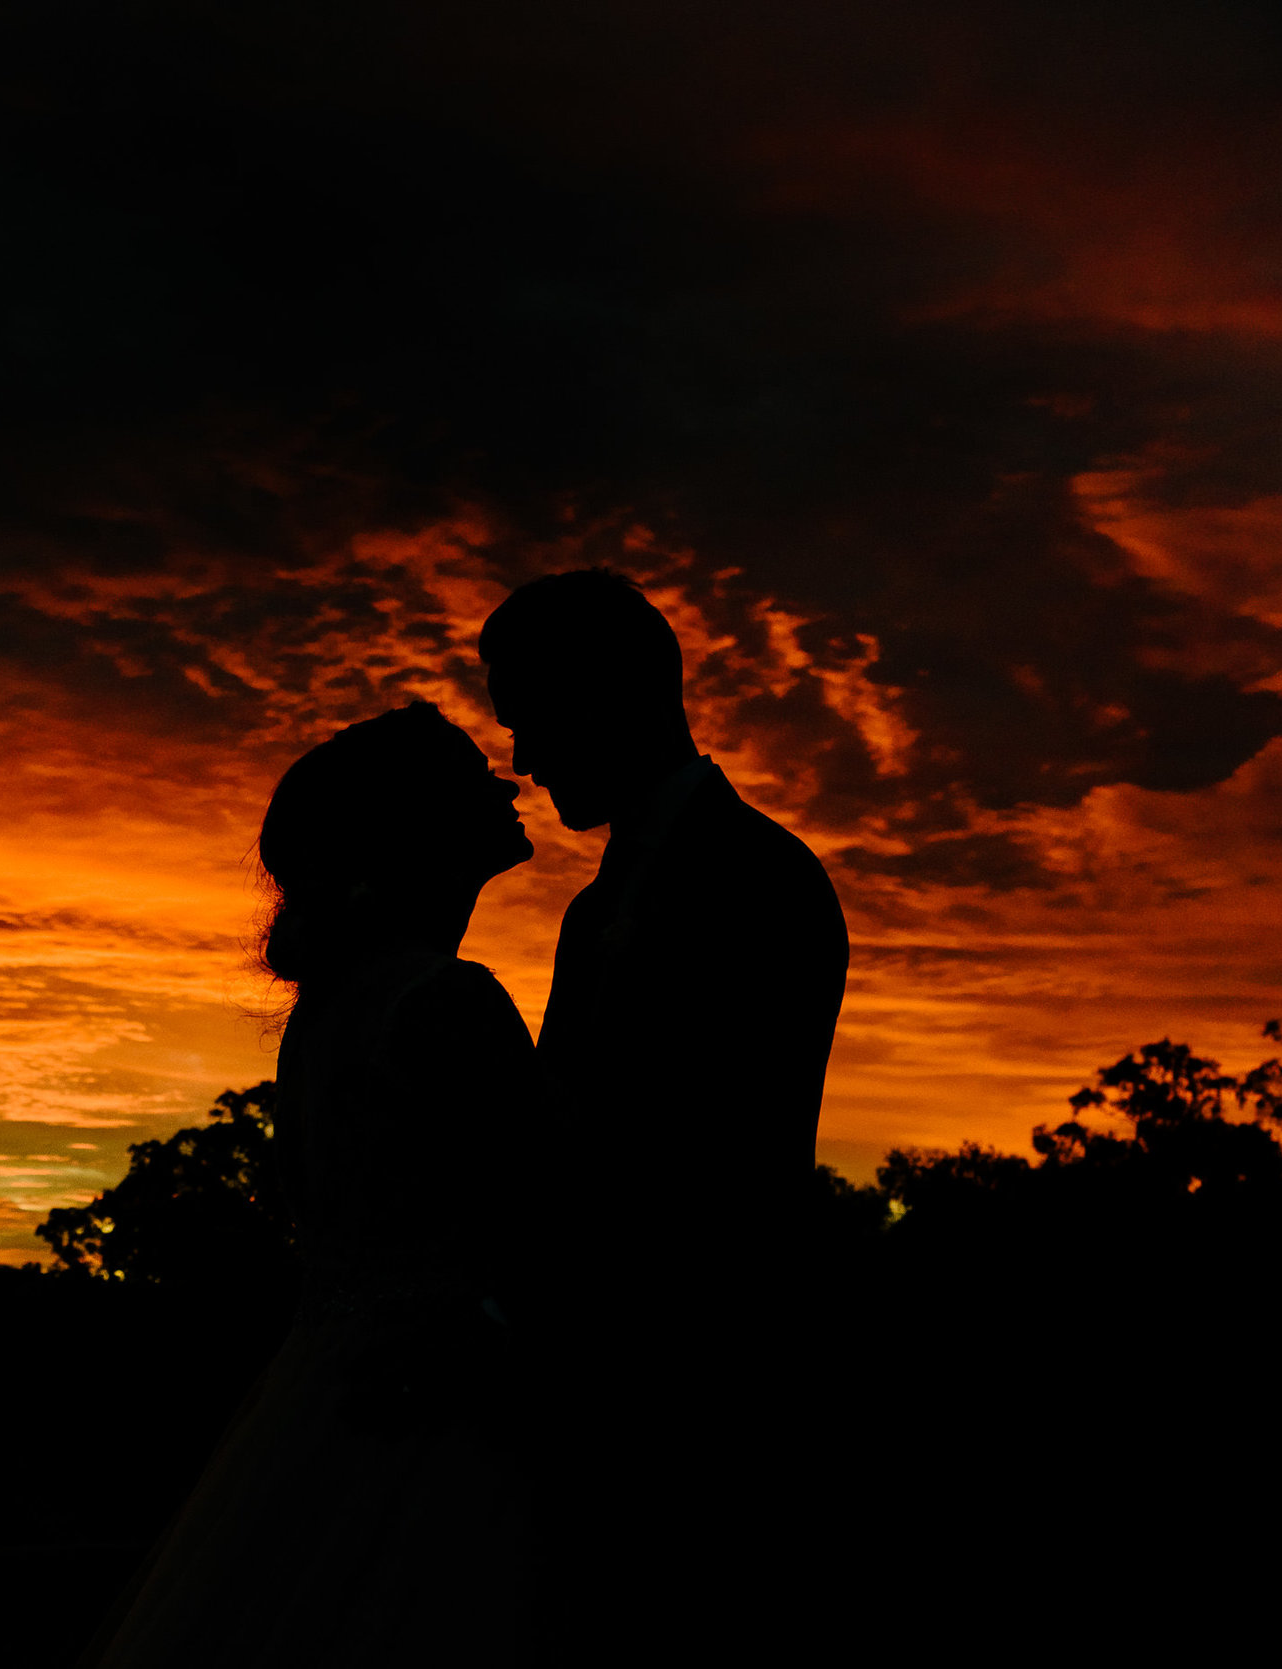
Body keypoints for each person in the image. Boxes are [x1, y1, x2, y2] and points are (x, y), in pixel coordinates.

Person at [87, 700, 545, 1668]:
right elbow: (539, 1225)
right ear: (415, 826)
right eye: (474, 779)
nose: (509, 785)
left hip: (325, 1406)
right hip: (442, 1419)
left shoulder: (329, 1010)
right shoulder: (446, 1000)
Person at [478, 568, 850, 1658]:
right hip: (591, 1399)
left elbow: (719, 1162)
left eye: (532, 719)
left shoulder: (765, 879)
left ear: (613, 697)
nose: (524, 760)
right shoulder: (594, 909)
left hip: (706, 1402)